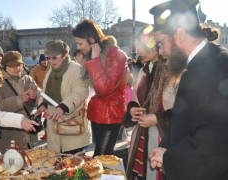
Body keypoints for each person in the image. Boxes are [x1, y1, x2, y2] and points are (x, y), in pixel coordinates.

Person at [148, 0, 228, 179]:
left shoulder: (221, 66)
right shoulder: (196, 65)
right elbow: (184, 120)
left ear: (180, 35)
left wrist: (170, 158)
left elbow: (216, 140)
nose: (160, 52)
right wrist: (165, 148)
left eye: (160, 43)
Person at [122, 25, 180, 180]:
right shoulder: (144, 70)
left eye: (142, 47)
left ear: (157, 46)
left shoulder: (175, 72)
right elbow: (135, 99)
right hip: (140, 136)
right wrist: (133, 108)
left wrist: (157, 118)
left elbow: (186, 110)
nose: (139, 52)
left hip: (164, 138)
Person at [72, 19, 129, 157]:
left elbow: (105, 89)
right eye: (77, 44)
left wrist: (95, 60)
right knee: (102, 156)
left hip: (111, 115)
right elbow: (90, 86)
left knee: (101, 156)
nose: (78, 47)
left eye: (80, 43)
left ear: (92, 39)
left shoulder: (117, 55)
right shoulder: (90, 56)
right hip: (96, 114)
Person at [34, 40, 91, 154]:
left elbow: (81, 92)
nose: (50, 61)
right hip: (54, 130)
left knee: (74, 168)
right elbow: (45, 92)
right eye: (48, 57)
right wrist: (42, 105)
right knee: (58, 167)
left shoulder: (76, 69)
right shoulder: (51, 73)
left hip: (73, 128)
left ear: (65, 56)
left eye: (54, 57)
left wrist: (63, 107)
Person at [0, 51, 40, 153]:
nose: (17, 68)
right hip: (9, 135)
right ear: (5, 67)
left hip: (28, 135)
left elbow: (40, 99)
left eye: (19, 65)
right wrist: (20, 99)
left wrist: (35, 97)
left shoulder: (28, 79)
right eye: (12, 66)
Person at [30, 54, 50, 140]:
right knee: (38, 114)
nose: (45, 62)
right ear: (40, 61)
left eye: (46, 60)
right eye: (43, 60)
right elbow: (31, 81)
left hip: (49, 94)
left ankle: (47, 133)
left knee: (48, 115)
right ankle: (35, 131)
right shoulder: (35, 69)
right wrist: (40, 88)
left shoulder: (51, 67)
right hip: (39, 94)